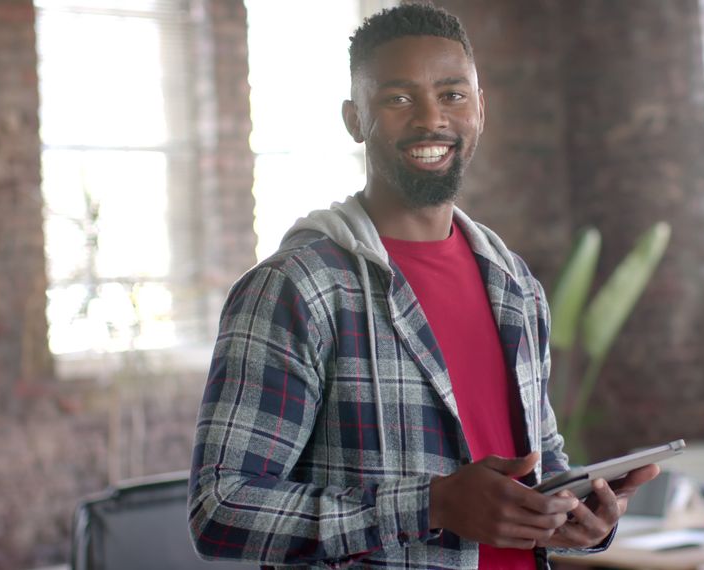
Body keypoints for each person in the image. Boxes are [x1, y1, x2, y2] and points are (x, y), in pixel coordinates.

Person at [188, 4, 658, 568]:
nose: (431, 118)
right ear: (355, 119)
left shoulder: (515, 287)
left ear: (481, 109)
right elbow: (221, 509)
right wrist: (430, 506)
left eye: (453, 94)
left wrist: (576, 516)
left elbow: (540, 461)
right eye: (398, 98)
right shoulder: (297, 289)